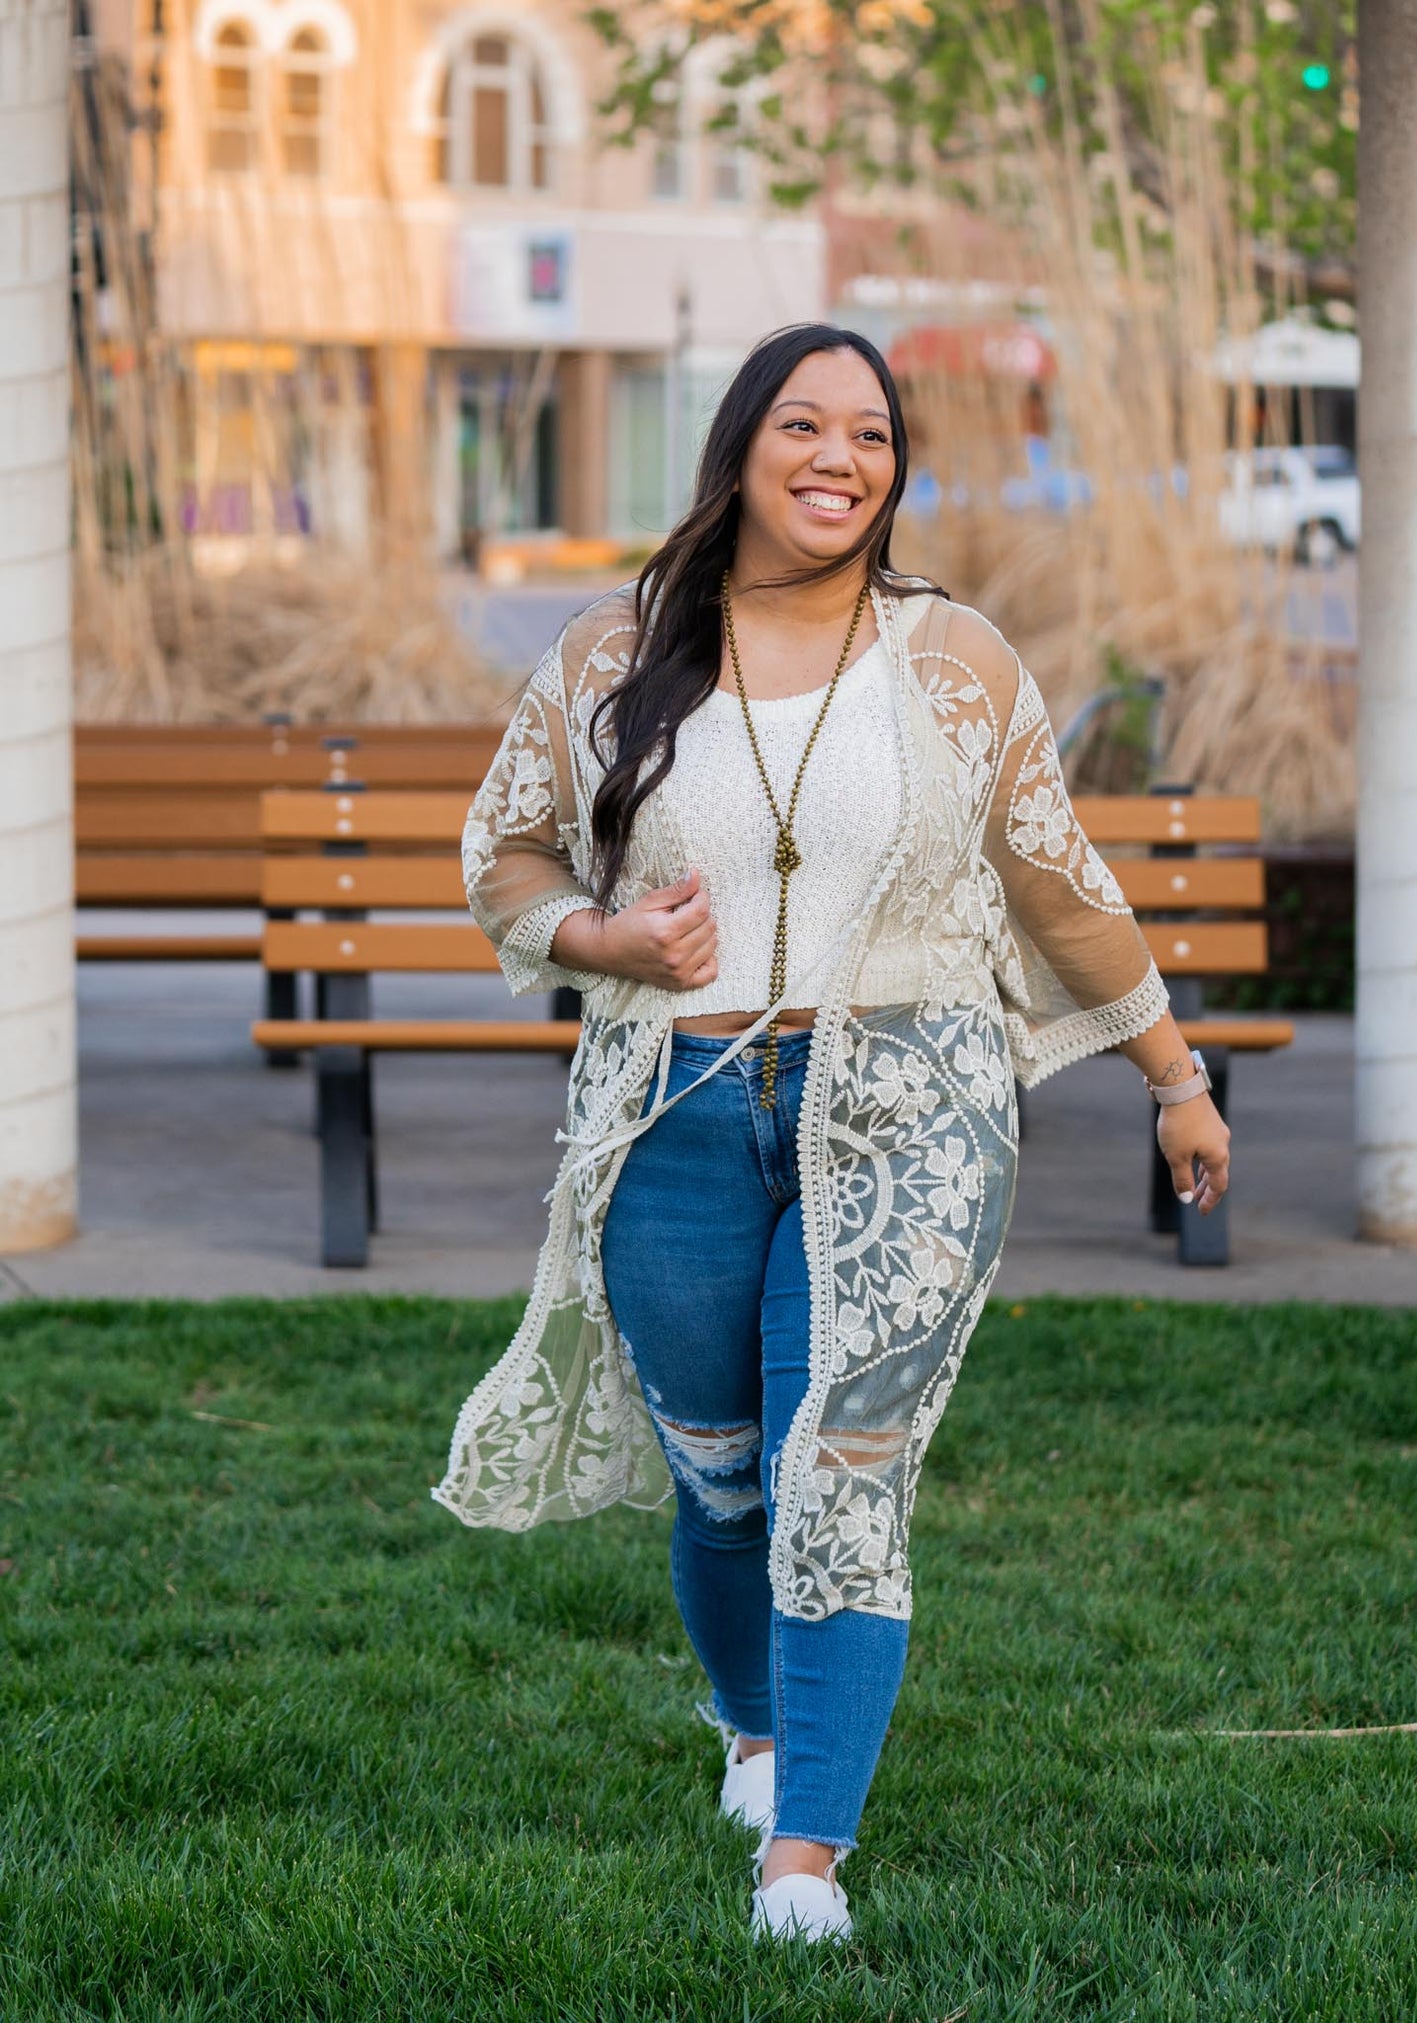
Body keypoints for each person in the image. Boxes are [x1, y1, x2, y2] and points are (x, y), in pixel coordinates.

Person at [432, 323, 1230, 1943]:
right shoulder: (610, 653)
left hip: (910, 1112)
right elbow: (505, 856)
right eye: (803, 426)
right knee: (719, 1467)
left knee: (839, 1467)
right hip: (675, 1105)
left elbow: (1056, 882)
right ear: (738, 448)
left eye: (869, 437)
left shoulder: (953, 660)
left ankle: (805, 1853)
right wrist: (608, 942)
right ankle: (751, 1725)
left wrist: (1171, 1073)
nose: (836, 460)